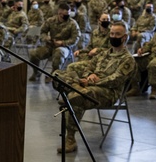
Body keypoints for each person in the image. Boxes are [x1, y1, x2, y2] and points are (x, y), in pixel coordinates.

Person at [56, 22, 136, 154]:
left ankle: (70, 139)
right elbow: (89, 66)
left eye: (117, 34)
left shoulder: (128, 59)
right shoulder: (103, 53)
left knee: (77, 97)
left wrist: (91, 83)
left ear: (125, 37)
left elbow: (115, 80)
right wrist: (89, 75)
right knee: (57, 75)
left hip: (109, 92)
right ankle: (75, 88)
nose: (113, 36)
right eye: (111, 33)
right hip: (91, 86)